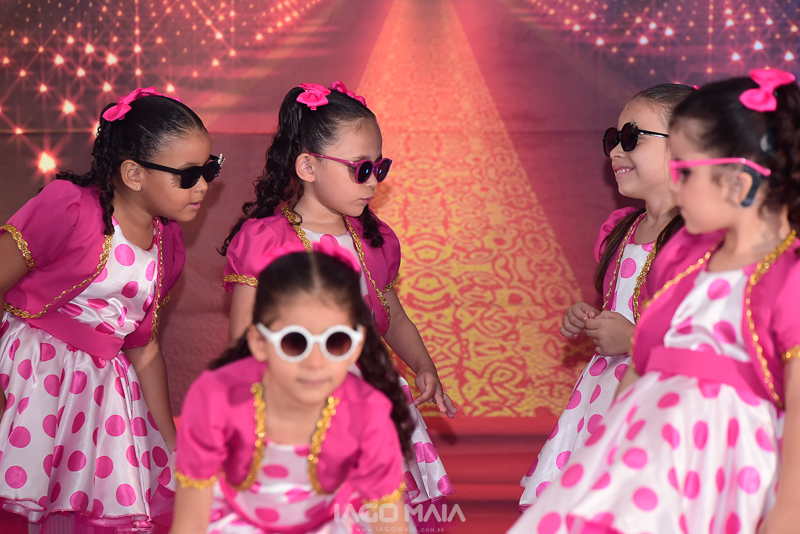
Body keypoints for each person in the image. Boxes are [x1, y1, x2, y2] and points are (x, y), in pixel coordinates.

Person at [510, 69, 800, 533]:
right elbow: (643, 363)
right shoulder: (680, 259)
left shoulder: (785, 277)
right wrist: (608, 456)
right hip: (651, 462)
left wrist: (786, 512)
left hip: (729, 467)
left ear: (739, 179)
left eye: (688, 171)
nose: (677, 187)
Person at [220, 81, 456, 516]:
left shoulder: (373, 239)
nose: (374, 182)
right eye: (361, 169)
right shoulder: (266, 241)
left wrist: (424, 365)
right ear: (308, 167)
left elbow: (392, 316)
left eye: (380, 167)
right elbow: (243, 340)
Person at [0, 87, 222, 532]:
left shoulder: (167, 243)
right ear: (134, 174)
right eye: (188, 175)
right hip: (32, 379)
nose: (202, 185)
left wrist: (172, 447)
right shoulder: (69, 207)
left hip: (99, 398)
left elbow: (144, 349)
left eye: (210, 169)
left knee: (77, 510)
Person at [519, 83, 692, 509]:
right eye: (613, 139)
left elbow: (705, 337)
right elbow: (622, 303)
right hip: (603, 392)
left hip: (661, 396)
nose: (615, 151)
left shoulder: (698, 241)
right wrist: (593, 318)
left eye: (631, 137)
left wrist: (632, 339)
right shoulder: (621, 229)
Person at [171, 244, 414, 533]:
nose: (315, 363)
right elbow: (190, 522)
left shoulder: (368, 411)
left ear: (357, 345)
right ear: (260, 343)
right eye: (294, 342)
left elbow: (390, 523)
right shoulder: (216, 397)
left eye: (336, 342)